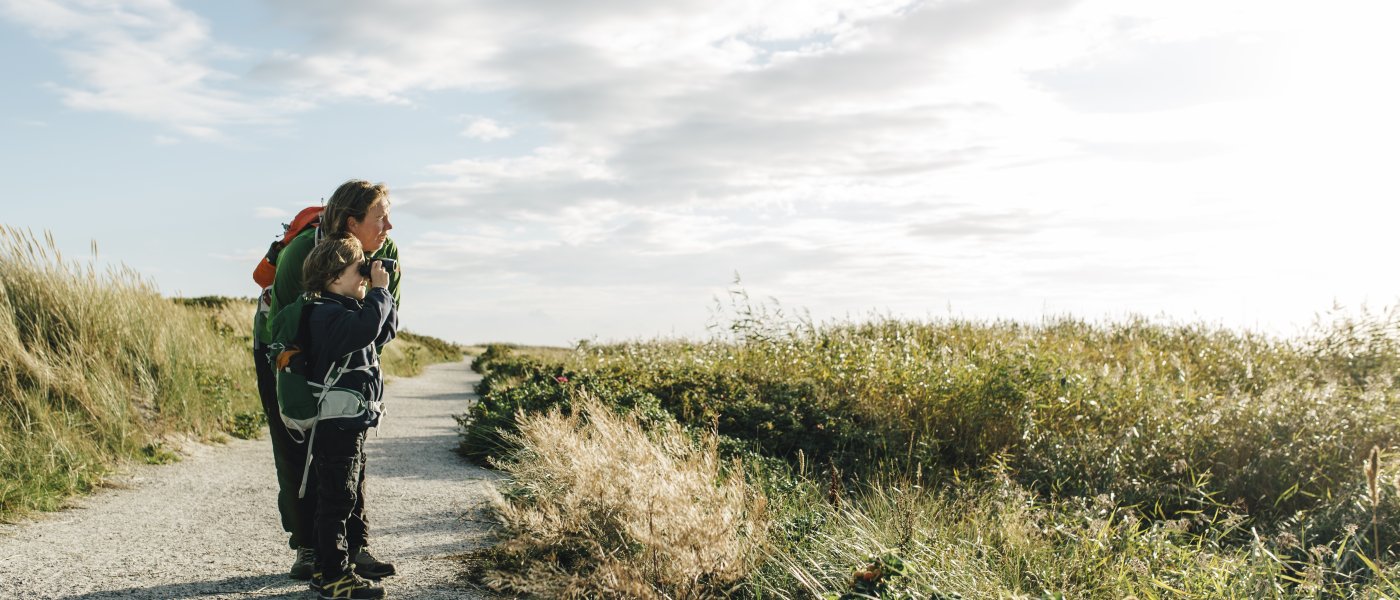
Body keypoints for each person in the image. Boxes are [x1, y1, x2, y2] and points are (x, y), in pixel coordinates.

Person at [251, 180, 401, 580]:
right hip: (285, 350)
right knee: (296, 444)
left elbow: (383, 327)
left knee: (346, 449)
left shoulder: (385, 254)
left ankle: (356, 546)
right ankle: (308, 548)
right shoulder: (302, 251)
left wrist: (355, 356)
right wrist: (307, 382)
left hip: (346, 350)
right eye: (379, 216)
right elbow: (284, 323)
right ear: (351, 222)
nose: (389, 225)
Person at [299, 233, 397, 599]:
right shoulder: (325, 314)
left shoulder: (344, 309)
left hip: (351, 420)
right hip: (336, 423)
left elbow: (384, 329)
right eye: (359, 270)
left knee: (348, 493)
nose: (364, 276)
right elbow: (365, 329)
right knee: (337, 498)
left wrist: (381, 290)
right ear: (334, 276)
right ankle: (332, 576)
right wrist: (380, 292)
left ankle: (336, 569)